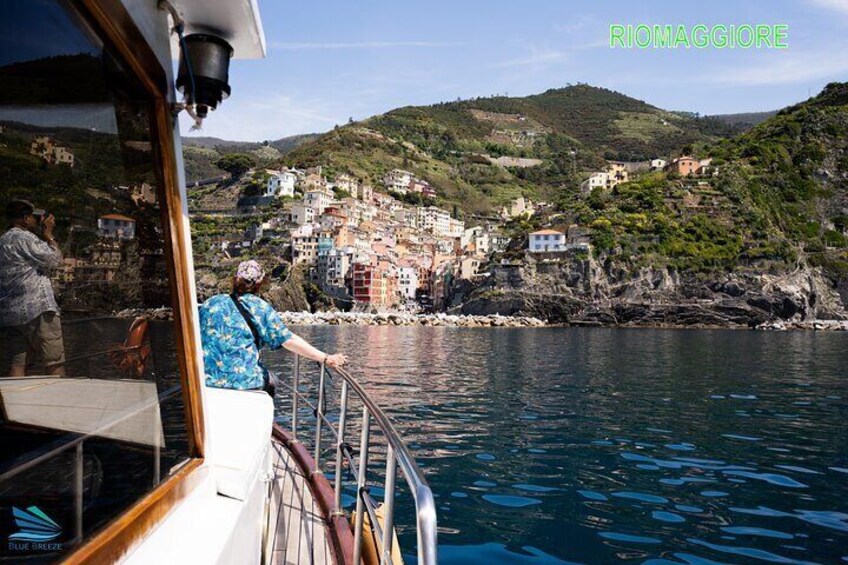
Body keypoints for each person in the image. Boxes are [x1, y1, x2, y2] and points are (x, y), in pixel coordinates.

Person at [199, 260, 346, 392]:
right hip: (245, 382)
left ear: (235, 279)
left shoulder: (210, 303)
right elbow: (288, 340)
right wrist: (326, 358)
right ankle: (269, 421)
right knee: (272, 380)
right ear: (259, 284)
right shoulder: (260, 308)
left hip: (208, 380)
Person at [0, 200, 65, 376]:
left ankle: (16, 402)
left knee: (18, 364)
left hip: (11, 314)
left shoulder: (3, 240)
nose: (37, 220)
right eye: (34, 217)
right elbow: (55, 260)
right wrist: (49, 234)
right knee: (54, 361)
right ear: (24, 219)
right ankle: (60, 400)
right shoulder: (26, 238)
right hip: (38, 309)